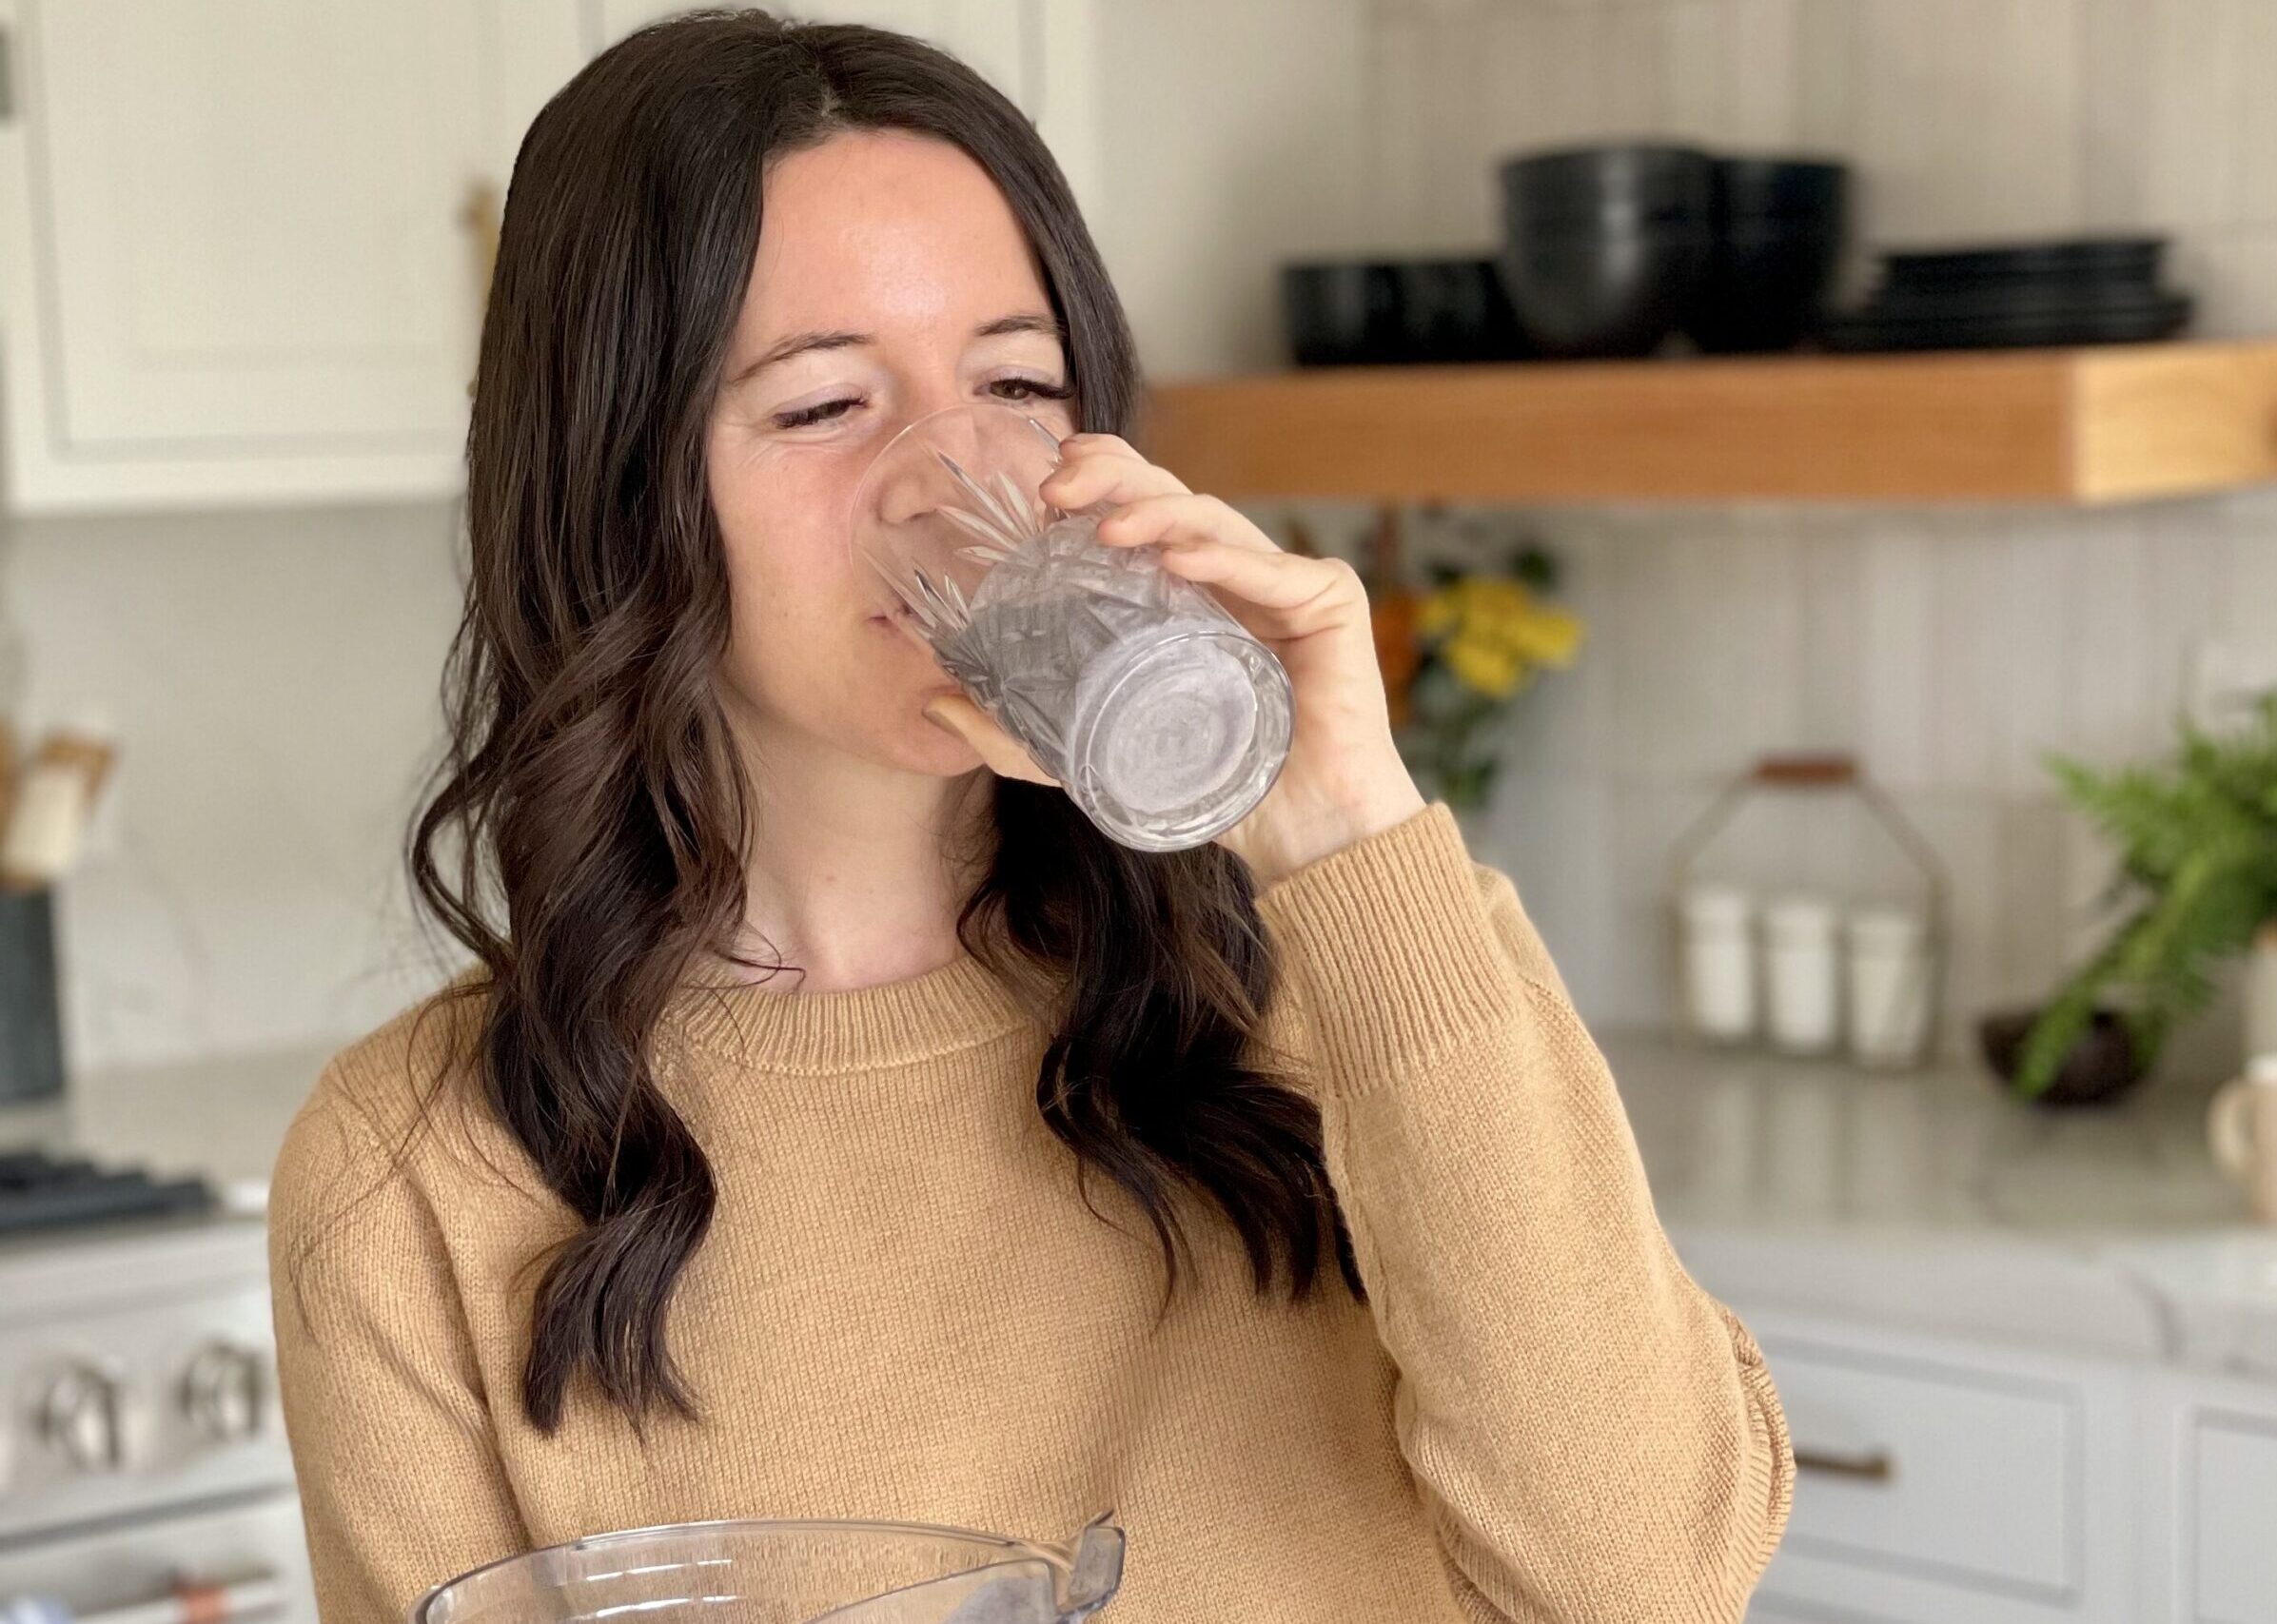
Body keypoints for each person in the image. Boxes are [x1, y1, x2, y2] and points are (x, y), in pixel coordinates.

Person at [268, 13, 1792, 1623]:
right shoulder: (415, 1179)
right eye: (822, 405)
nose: (960, 475)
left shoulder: (1336, 989)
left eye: (1017, 380)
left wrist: (1349, 830)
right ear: (614, 485)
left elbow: (1654, 1576)